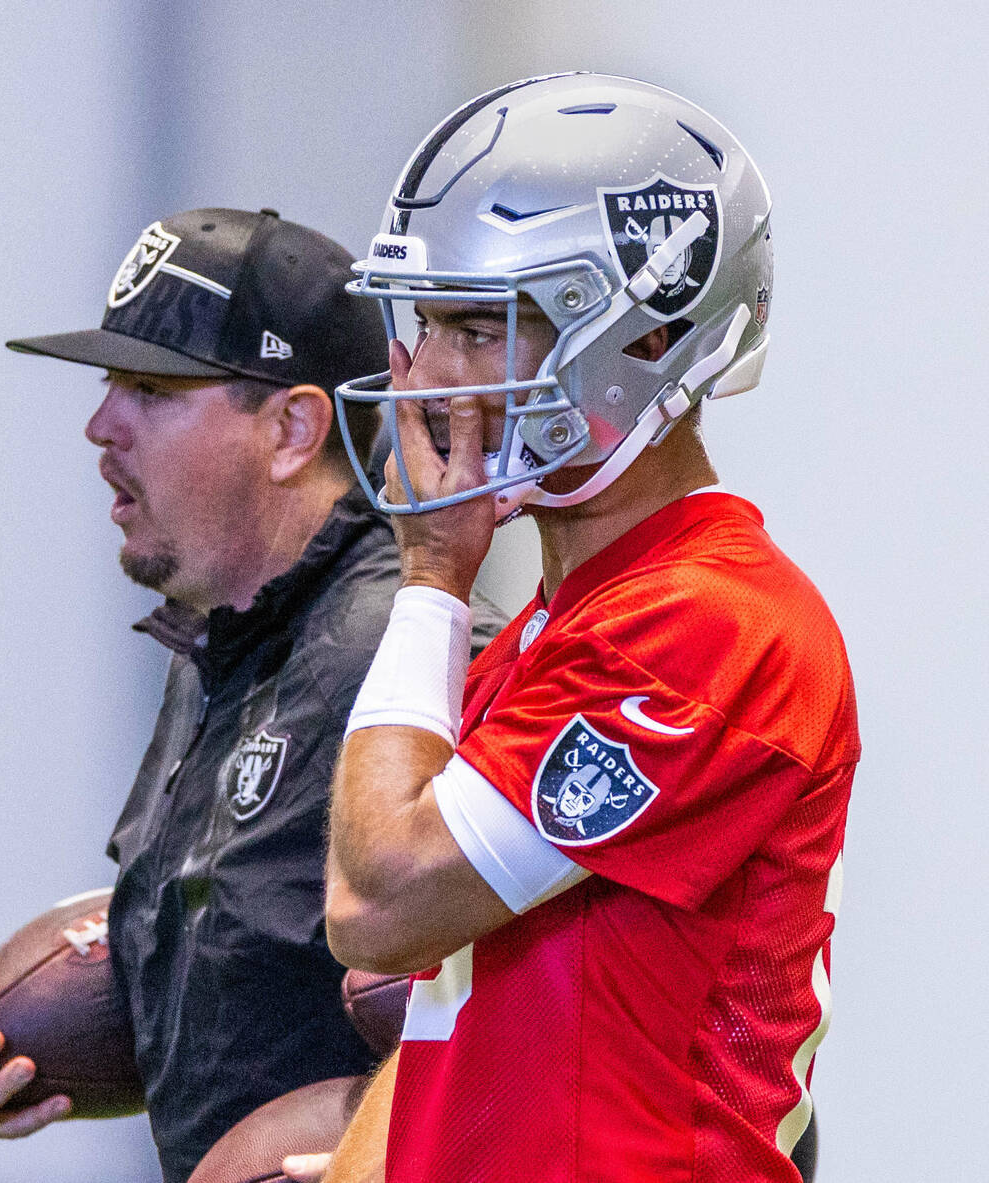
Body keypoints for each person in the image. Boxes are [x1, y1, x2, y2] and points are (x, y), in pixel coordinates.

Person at [319, 74, 859, 1183]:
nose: (423, 377)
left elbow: (381, 900)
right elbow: (446, 1008)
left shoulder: (708, 621)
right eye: (427, 323)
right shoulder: (569, 619)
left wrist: (430, 573)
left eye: (477, 325)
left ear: (647, 341)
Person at [0, 205, 505, 1183]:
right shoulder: (216, 651)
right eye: (110, 385)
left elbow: (583, 1016)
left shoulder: (411, 655)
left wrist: (380, 1144)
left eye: (151, 388)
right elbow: (253, 983)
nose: (101, 425)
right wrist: (6, 1050)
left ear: (293, 428)